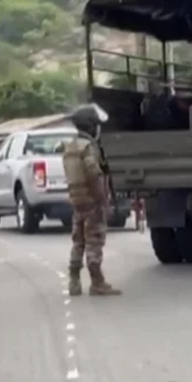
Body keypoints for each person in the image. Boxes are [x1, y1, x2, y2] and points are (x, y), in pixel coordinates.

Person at [63, 104, 121, 296]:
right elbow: (94, 173)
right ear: (90, 126)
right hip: (92, 200)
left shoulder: (70, 146)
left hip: (76, 201)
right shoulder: (88, 147)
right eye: (96, 125)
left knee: (78, 240)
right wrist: (103, 200)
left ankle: (74, 281)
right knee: (94, 241)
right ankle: (97, 282)